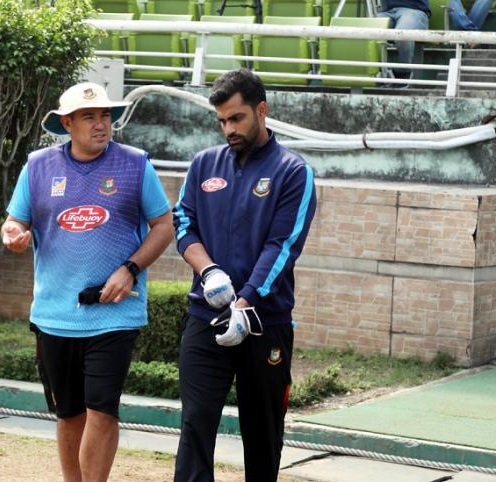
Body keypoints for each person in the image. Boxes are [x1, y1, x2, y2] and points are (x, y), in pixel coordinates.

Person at [1, 81, 174, 482]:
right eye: (89, 116)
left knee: (102, 408)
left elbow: (164, 225)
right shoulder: (38, 166)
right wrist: (12, 233)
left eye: (105, 115)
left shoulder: (135, 164)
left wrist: (130, 269)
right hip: (55, 313)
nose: (101, 124)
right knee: (69, 413)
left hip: (114, 312)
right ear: (67, 123)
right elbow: (15, 220)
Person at [171, 69, 317, 482]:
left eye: (236, 118)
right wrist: (208, 270)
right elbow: (184, 223)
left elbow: (283, 246)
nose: (228, 129)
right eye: (222, 121)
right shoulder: (203, 165)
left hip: (263, 324)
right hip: (206, 317)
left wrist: (247, 300)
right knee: (195, 424)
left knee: (262, 435)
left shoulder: (293, 171)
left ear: (262, 110)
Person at [377, 0, 431, 85]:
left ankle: (404, 73)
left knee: (402, 35)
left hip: (414, 10)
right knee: (366, 31)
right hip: (386, 12)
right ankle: (378, 72)